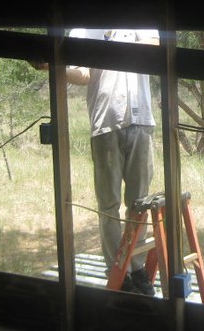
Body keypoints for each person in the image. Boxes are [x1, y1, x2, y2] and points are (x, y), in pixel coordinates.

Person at [64, 28, 160, 295]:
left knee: (139, 203)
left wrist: (117, 44)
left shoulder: (140, 18)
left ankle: (136, 267)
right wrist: (56, 68)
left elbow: (155, 44)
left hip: (142, 121)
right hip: (105, 123)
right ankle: (118, 271)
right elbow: (82, 74)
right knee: (108, 205)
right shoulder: (82, 29)